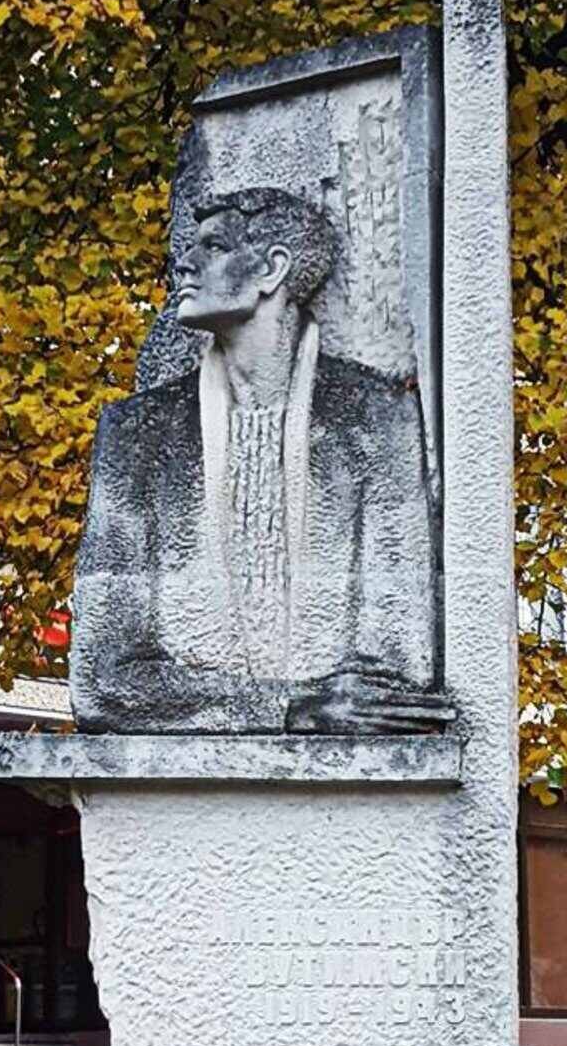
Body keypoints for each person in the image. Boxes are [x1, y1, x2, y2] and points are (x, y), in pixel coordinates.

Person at [70, 186, 452, 735]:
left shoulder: (377, 419)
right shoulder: (135, 435)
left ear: (273, 269)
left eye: (214, 247)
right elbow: (102, 681)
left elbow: (397, 676)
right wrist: (289, 708)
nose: (185, 263)